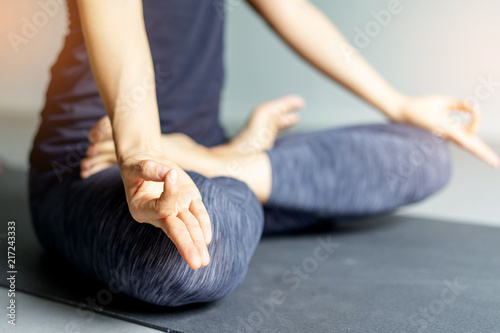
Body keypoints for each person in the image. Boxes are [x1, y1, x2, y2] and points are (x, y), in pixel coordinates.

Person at [29, 0, 498, 307]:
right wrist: (146, 153)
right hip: (100, 161)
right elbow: (123, 38)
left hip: (202, 150)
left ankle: (227, 168)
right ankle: (238, 176)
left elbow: (291, 10)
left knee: (425, 153)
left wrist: (399, 104)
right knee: (186, 260)